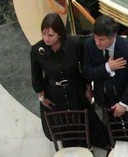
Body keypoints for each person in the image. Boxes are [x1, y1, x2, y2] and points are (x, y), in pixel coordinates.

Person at [30, 12, 89, 140]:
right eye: (44, 34)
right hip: (54, 91)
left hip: (75, 88)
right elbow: (36, 75)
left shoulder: (74, 44)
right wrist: (41, 96)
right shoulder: (37, 50)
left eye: (51, 35)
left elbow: (85, 67)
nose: (46, 38)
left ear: (59, 34)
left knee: (82, 118)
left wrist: (88, 87)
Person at [82, 14, 128, 114]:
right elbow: (87, 73)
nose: (97, 42)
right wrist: (107, 68)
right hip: (102, 98)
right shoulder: (89, 44)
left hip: (126, 100)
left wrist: (123, 104)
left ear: (113, 36)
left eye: (101, 39)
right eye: (95, 37)